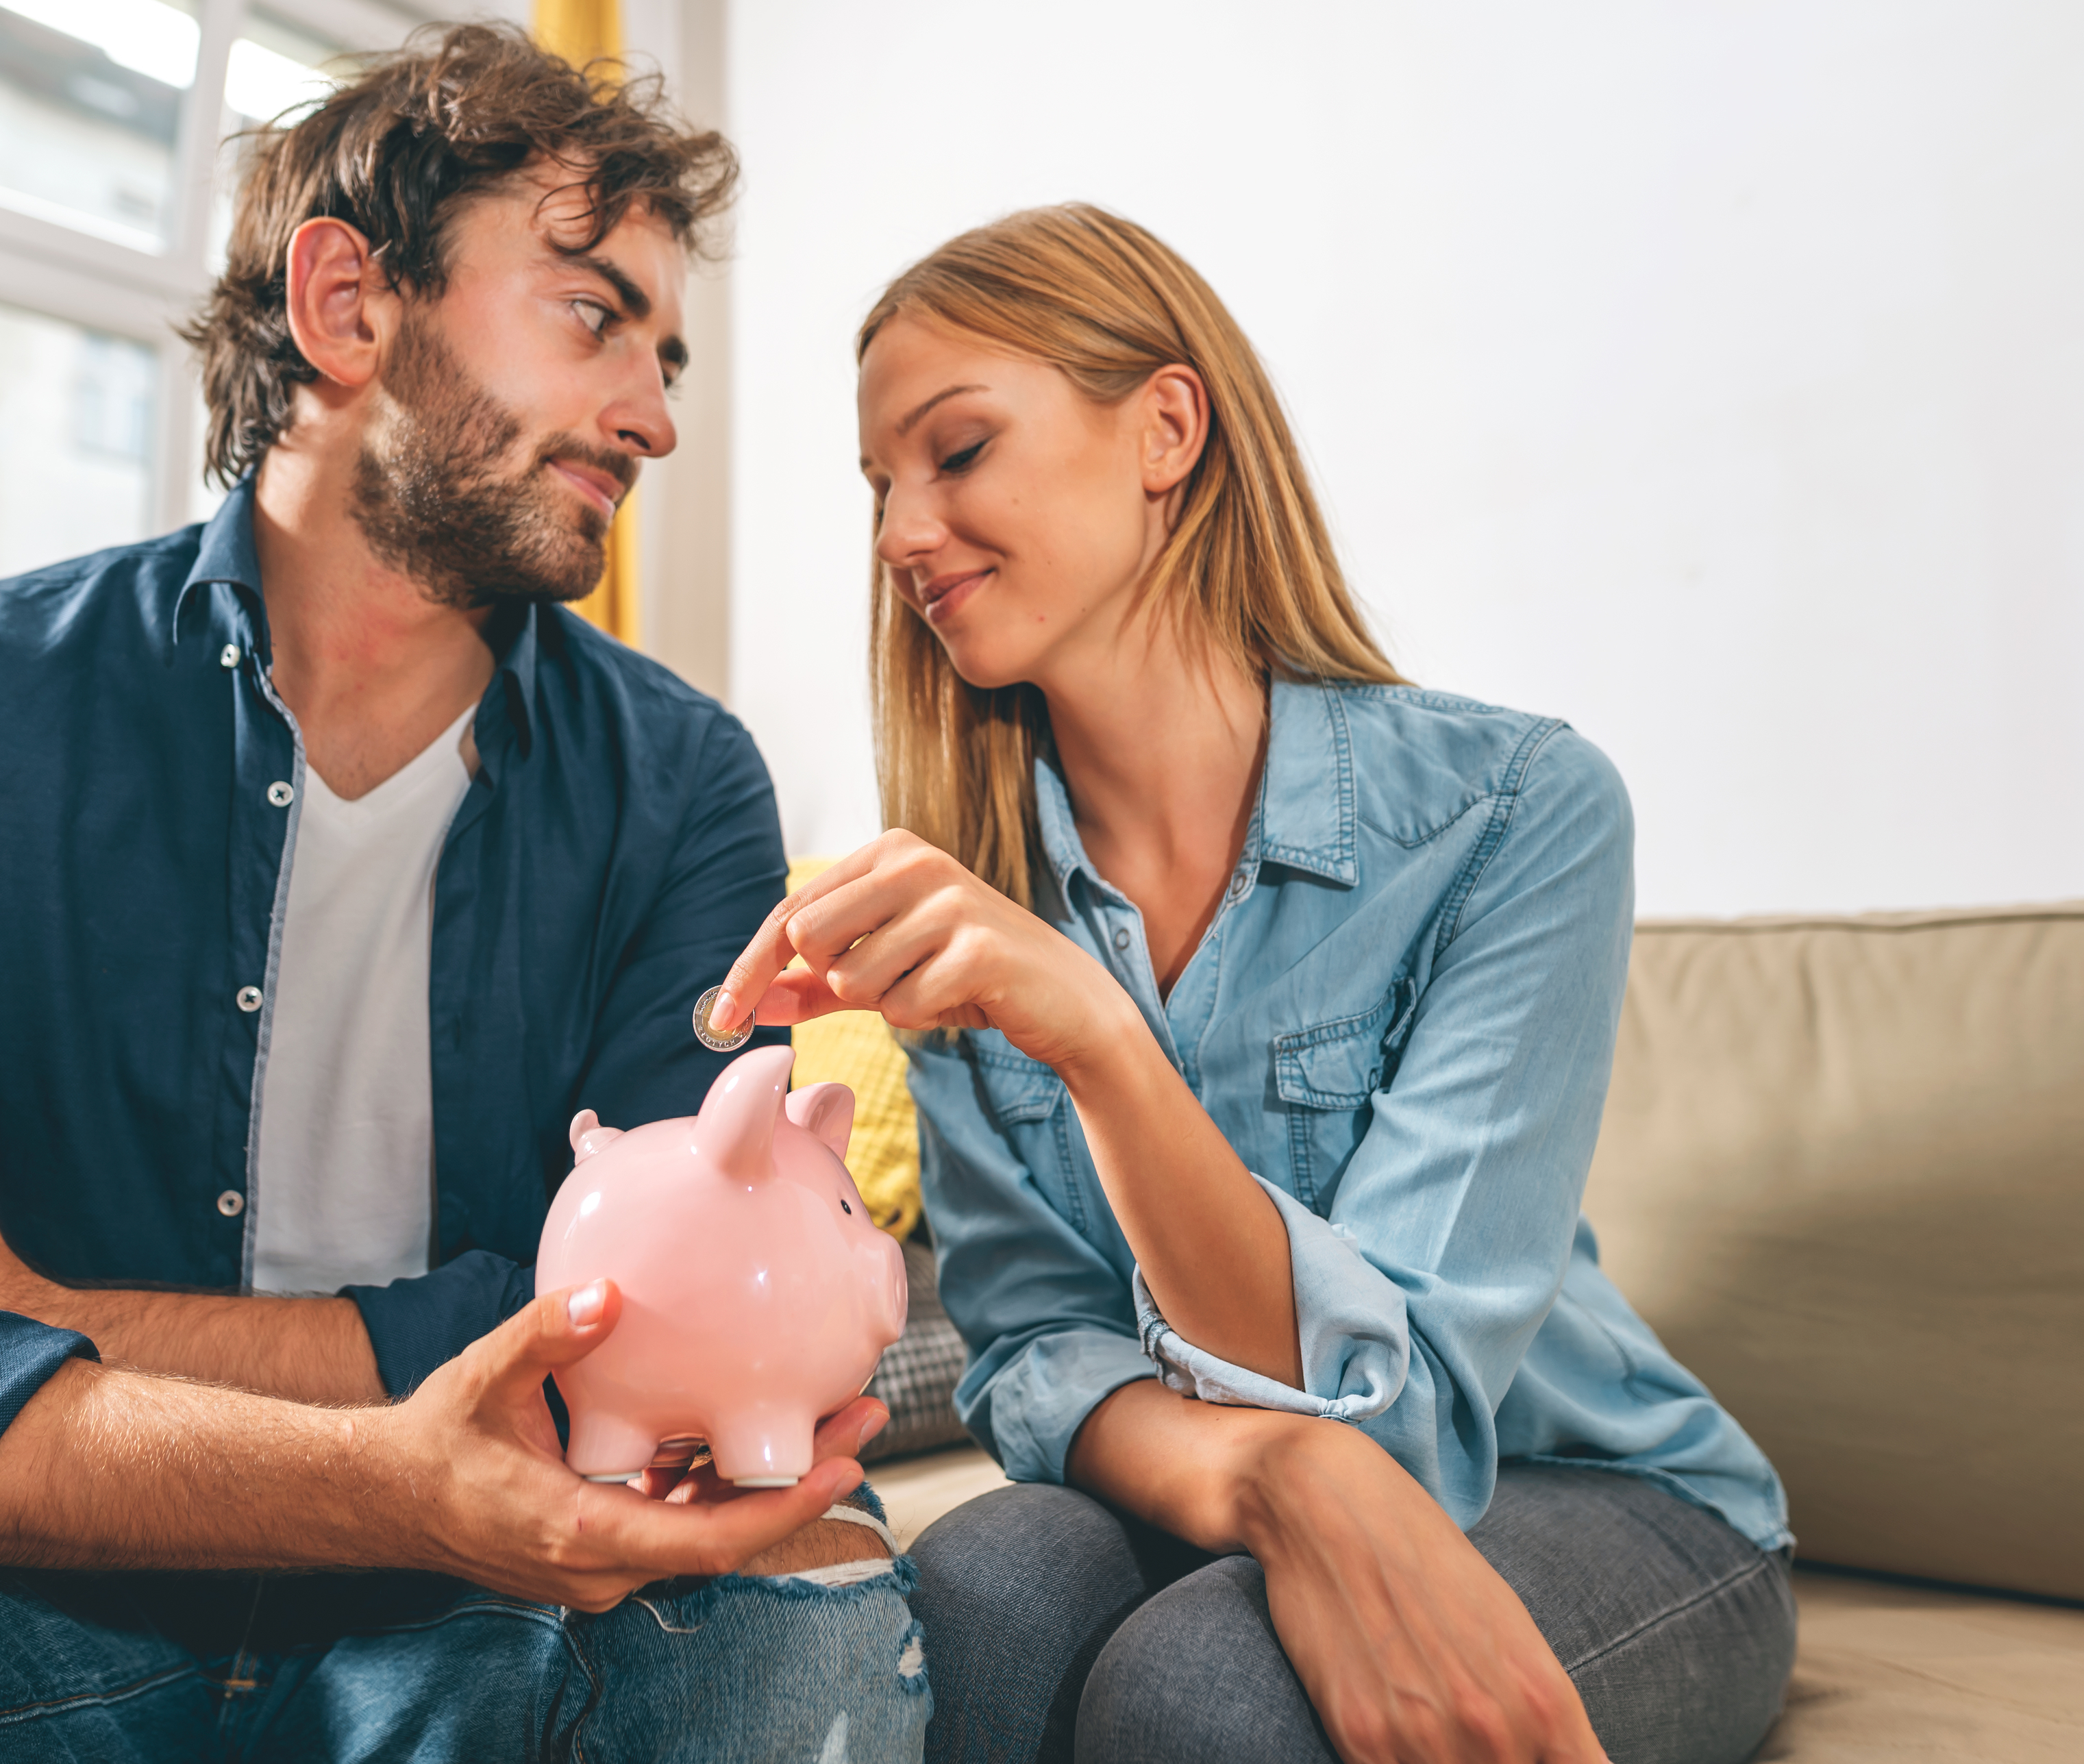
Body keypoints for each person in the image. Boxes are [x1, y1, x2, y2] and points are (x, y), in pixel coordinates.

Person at [0, 26, 926, 1764]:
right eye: (594, 316)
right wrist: (365, 1460)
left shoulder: (680, 785)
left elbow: (650, 1336)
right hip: (30, 1593)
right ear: (346, 306)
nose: (654, 416)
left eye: (662, 354)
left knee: (805, 1631)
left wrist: (17, 1307)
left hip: (481, 1614)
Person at [706, 204, 1795, 1764]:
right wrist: (1255, 1482)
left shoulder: (1515, 812)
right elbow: (1028, 1350)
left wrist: (1091, 1035)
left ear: (1163, 428)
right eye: (877, 485)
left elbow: (1396, 1420)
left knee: (1210, 1694)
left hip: (1590, 1486)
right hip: (1210, 1477)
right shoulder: (971, 889)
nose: (896, 535)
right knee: (975, 1593)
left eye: (954, 453)